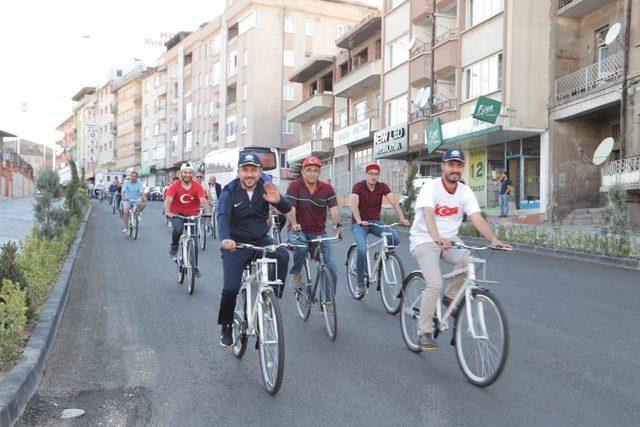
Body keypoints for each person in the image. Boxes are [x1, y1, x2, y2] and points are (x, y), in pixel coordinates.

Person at [410, 149, 511, 349]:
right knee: (435, 283)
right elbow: (429, 215)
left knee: (469, 261)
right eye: (451, 164)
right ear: (443, 167)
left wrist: (493, 239)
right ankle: (424, 332)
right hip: (424, 239)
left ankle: (451, 297)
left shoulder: (465, 191)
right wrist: (436, 236)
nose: (455, 169)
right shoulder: (431, 188)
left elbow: (476, 217)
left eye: (458, 165)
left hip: (450, 240)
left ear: (462, 168)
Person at [217, 152, 291, 347]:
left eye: (253, 170)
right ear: (239, 171)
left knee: (282, 254)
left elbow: (287, 207)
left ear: (260, 171)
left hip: (260, 240)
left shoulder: (265, 187)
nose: (249, 174)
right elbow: (222, 216)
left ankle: (271, 300)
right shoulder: (229, 191)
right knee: (230, 288)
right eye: (245, 170)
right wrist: (226, 239)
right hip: (236, 244)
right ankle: (226, 325)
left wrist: (278, 201)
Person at [350, 163, 410, 296]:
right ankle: (360, 283)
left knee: (395, 237)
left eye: (376, 174)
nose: (373, 176)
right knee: (361, 249)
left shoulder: (382, 186)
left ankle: (383, 255)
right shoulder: (358, 186)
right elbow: (353, 204)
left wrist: (402, 219)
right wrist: (359, 221)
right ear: (366, 174)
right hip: (359, 223)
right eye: (371, 173)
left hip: (375, 222)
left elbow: (394, 202)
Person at [286, 156, 342, 292]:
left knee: (331, 267)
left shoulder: (327, 188)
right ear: (303, 172)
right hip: (298, 230)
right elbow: (290, 209)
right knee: (301, 246)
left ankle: (328, 302)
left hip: (319, 233)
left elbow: (334, 210)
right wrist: (294, 224)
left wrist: (337, 225)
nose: (312, 173)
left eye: (315, 171)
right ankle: (296, 273)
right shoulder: (294, 186)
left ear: (319, 173)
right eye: (309, 170)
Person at [164, 163, 211, 277]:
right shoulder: (174, 186)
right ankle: (174, 246)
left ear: (192, 174)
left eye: (190, 173)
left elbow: (203, 200)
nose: (187, 175)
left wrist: (208, 212)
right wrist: (167, 212)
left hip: (192, 215)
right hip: (177, 214)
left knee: (194, 241)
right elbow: (168, 200)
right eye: (185, 172)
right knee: (178, 230)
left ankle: (194, 267)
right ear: (181, 174)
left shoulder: (197, 186)